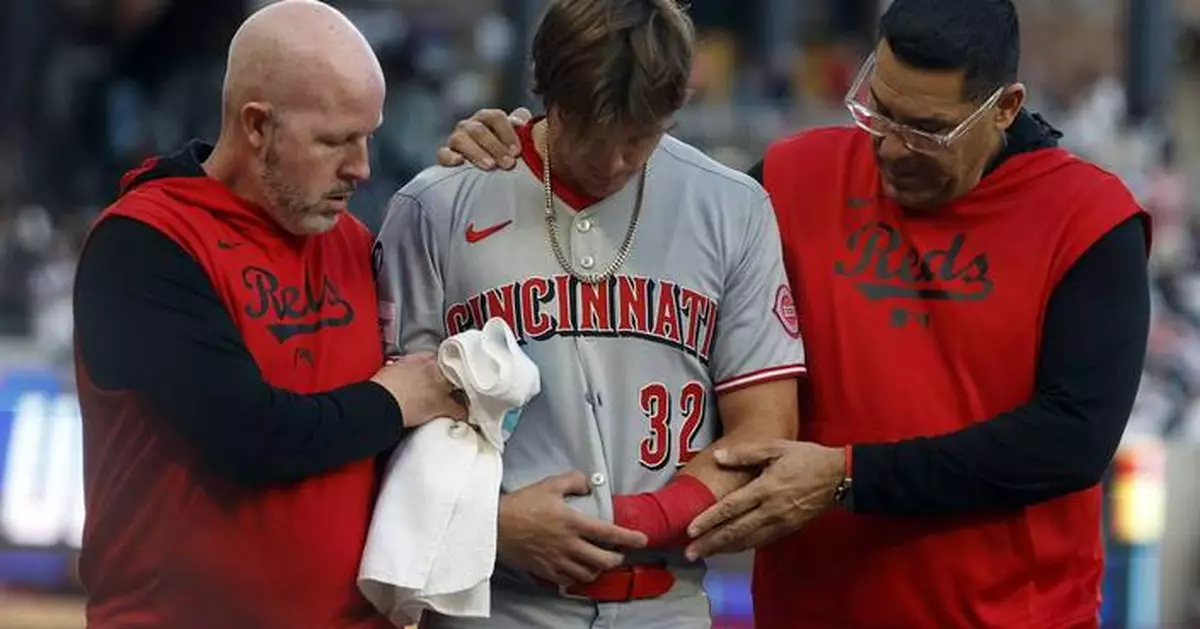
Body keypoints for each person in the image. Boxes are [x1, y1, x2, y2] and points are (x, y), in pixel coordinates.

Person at [432, 0, 1152, 627]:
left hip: (1012, 615)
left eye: (927, 130)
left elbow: (1072, 439)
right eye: (880, 112)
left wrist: (850, 474)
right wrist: (530, 139)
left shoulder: (1088, 218)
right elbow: (621, 187)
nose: (891, 148)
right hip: (810, 611)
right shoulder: (793, 175)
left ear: (1004, 105)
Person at [375, 0, 806, 627]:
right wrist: (488, 522)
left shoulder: (732, 205)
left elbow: (765, 431)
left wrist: (638, 521)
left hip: (669, 601)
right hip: (494, 601)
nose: (612, 163)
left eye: (638, 138)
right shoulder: (436, 205)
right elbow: (390, 424)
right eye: (587, 132)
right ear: (546, 92)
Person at [71, 2, 467, 628]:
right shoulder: (144, 241)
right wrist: (395, 400)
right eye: (335, 140)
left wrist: (511, 161)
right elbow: (248, 437)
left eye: (368, 136)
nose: (361, 167)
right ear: (257, 127)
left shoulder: (356, 244)